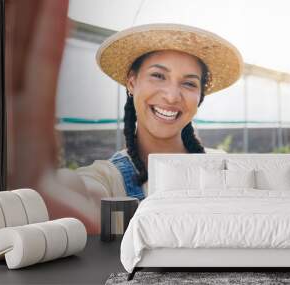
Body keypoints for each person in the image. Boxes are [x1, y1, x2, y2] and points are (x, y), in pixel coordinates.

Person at [44, 23, 244, 234]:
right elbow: (82, 189)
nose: (172, 96)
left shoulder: (220, 164)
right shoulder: (109, 178)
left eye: (189, 83)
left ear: (199, 98)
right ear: (132, 82)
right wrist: (49, 184)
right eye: (158, 75)